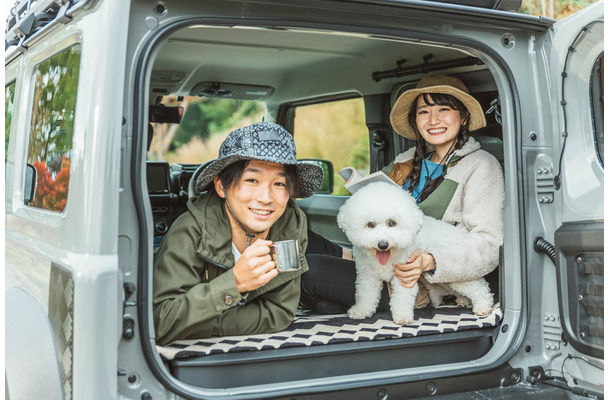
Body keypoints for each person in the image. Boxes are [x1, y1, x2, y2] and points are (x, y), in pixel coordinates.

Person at [301, 74, 504, 314]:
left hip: (413, 281)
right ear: (415, 120)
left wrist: (430, 261)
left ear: (463, 117)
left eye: (444, 109)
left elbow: (489, 244)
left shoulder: (481, 166)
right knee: (302, 241)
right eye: (424, 112)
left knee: (309, 272)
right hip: (377, 256)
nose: (433, 120)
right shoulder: (405, 160)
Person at [153, 121, 323, 346]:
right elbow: (160, 322)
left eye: (279, 184)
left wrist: (196, 324)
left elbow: (279, 313)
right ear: (222, 186)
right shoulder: (190, 230)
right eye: (252, 180)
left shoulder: (290, 223)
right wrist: (236, 283)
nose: (266, 197)